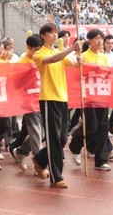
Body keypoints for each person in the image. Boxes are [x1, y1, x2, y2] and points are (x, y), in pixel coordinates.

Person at [31, 23, 81, 188]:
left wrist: (80, 57)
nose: (55, 35)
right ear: (43, 35)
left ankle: (39, 159)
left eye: (56, 33)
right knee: (53, 138)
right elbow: (52, 60)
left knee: (62, 138)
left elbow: (73, 64)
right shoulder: (39, 54)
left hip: (62, 98)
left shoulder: (59, 53)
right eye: (51, 33)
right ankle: (56, 176)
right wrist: (71, 48)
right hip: (48, 98)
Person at [68, 28, 112, 171]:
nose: (99, 41)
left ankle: (101, 160)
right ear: (90, 41)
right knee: (91, 126)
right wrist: (80, 65)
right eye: (96, 39)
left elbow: (107, 75)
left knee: (103, 127)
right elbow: (77, 75)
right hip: (88, 96)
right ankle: (75, 146)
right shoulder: (84, 56)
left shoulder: (104, 57)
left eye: (101, 38)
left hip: (101, 95)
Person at [7, 34, 44, 171]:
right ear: (28, 48)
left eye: (40, 49)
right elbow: (15, 84)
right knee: (35, 132)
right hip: (29, 101)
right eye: (36, 49)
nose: (38, 52)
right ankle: (39, 164)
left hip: (44, 98)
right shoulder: (21, 64)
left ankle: (21, 151)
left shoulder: (42, 59)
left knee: (43, 133)